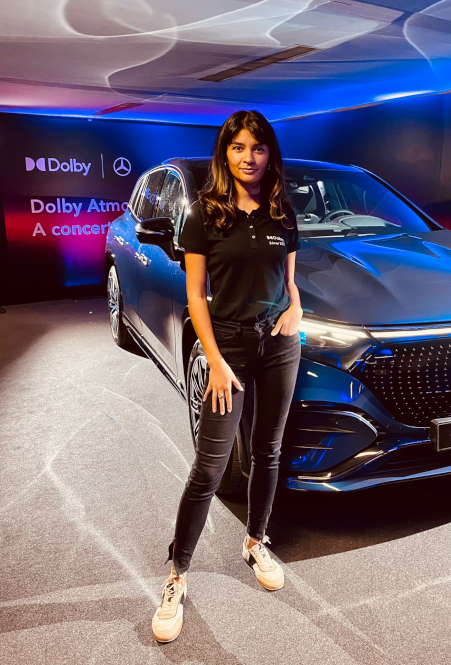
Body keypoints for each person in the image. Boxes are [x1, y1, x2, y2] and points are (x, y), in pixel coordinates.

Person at [151, 110, 303, 643]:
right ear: (225, 153)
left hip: (280, 345)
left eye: (257, 148)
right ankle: (176, 575)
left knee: (269, 449)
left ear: (269, 154)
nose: (248, 157)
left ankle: (256, 540)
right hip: (230, 346)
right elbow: (195, 297)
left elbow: (288, 279)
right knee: (210, 466)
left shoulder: (283, 211)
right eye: (238, 148)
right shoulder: (205, 214)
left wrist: (295, 312)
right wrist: (215, 361)